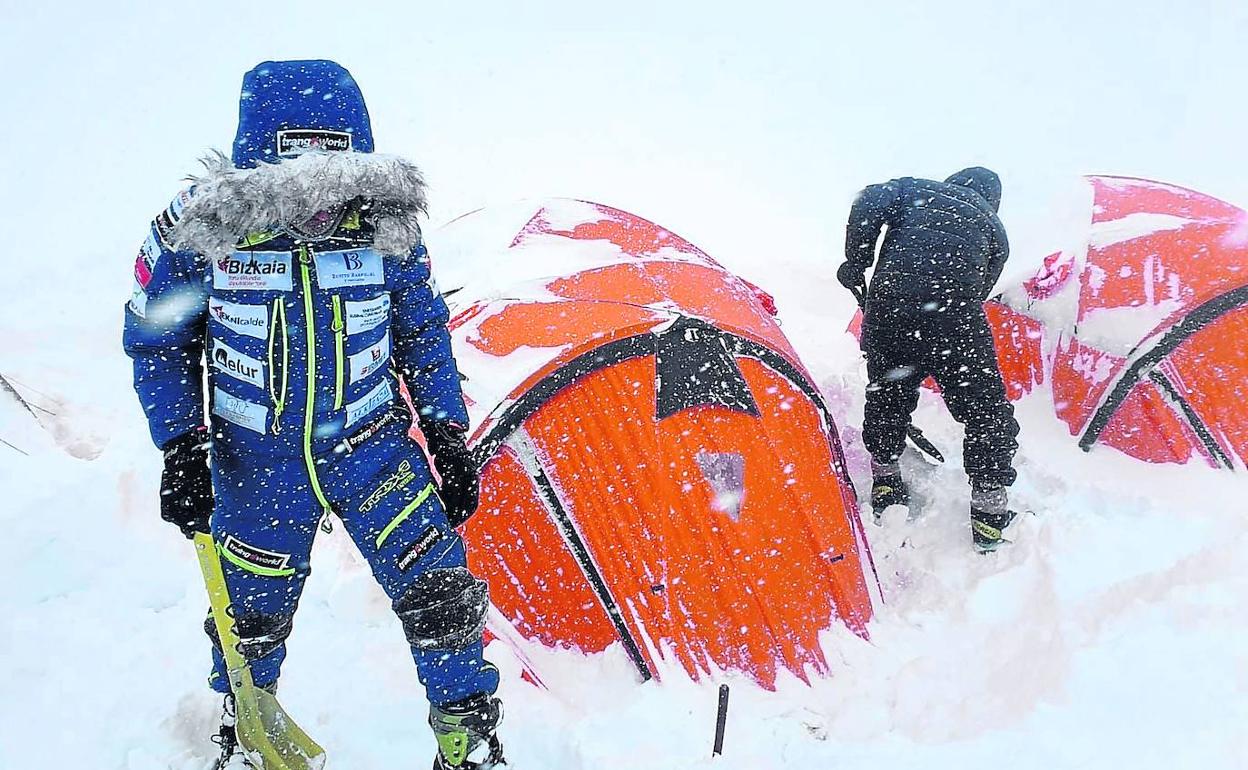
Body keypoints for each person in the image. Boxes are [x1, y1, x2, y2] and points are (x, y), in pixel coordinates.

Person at [123, 60, 505, 769]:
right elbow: (157, 341)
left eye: (337, 195)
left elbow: (421, 331)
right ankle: (247, 731)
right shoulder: (200, 235)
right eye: (295, 197)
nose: (320, 215)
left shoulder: (387, 232)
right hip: (255, 464)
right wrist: (181, 447)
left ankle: (470, 739)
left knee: (441, 596)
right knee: (248, 617)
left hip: (372, 451)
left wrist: (448, 433)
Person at [838, 167, 1021, 552]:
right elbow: (981, 288)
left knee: (888, 393)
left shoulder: (913, 189)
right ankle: (989, 512)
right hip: (953, 313)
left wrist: (857, 260)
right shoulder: (993, 226)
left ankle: (886, 477)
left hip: (890, 305)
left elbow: (868, 200)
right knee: (985, 410)